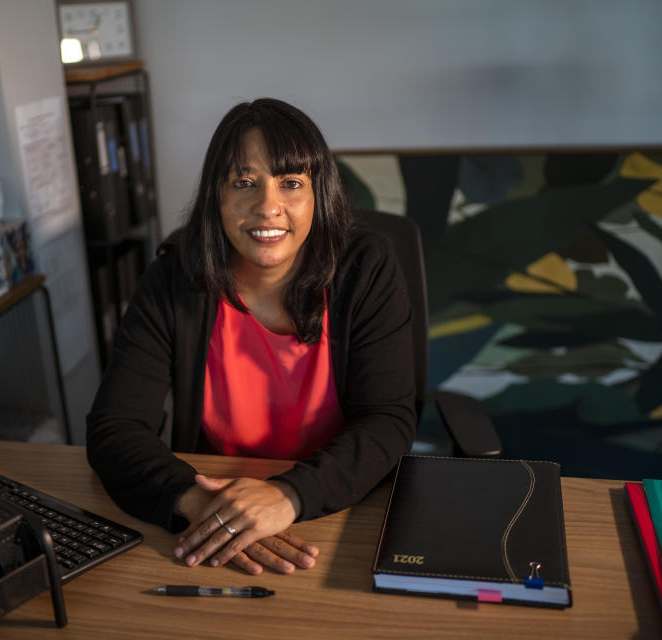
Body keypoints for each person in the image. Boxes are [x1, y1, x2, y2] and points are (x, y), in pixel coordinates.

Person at [86, 98, 416, 576]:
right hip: (214, 512)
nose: (268, 207)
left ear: (317, 196)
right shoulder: (174, 277)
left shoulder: (366, 269)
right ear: (216, 197)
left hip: (336, 509)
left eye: (291, 184)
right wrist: (201, 503)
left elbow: (388, 421)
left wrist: (289, 494)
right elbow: (114, 428)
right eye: (244, 183)